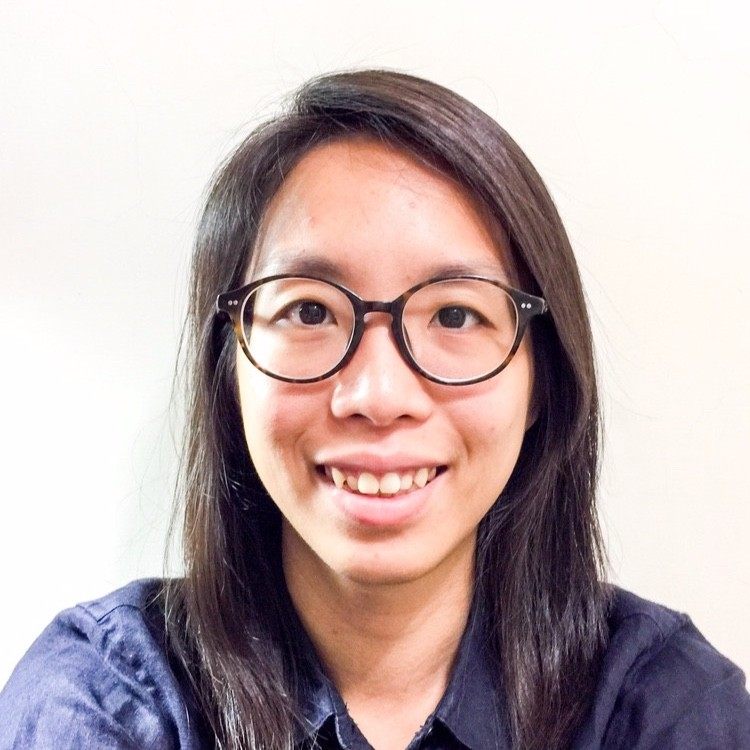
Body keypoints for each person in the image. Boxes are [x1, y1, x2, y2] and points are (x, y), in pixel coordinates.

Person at [1, 70, 748, 750]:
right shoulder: (105, 698)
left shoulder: (663, 706)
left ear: (541, 383)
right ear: (229, 372)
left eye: (455, 315)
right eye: (309, 311)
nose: (378, 396)